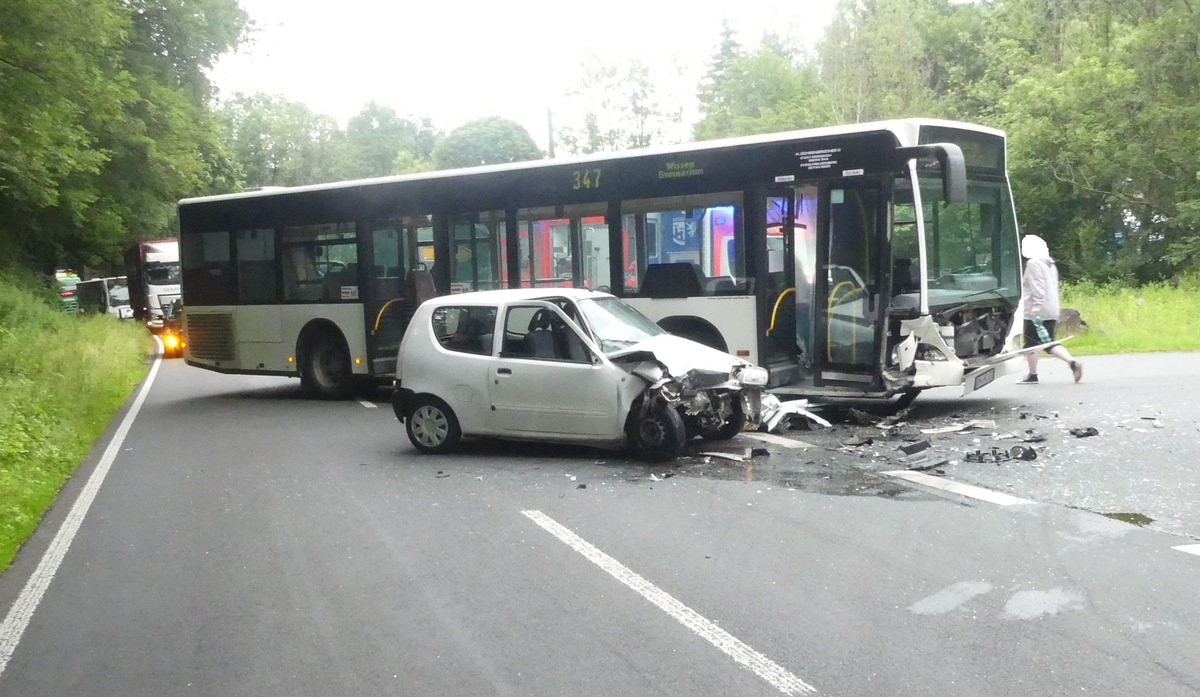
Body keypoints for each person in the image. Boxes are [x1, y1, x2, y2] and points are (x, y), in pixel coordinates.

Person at [1018, 234, 1083, 384]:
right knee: (1044, 342)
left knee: (1033, 344)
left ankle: (1034, 375)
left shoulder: (1034, 263)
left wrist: (1035, 306)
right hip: (1051, 309)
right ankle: (1070, 363)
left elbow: (1037, 286)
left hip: (1036, 311)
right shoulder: (1050, 264)